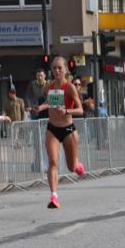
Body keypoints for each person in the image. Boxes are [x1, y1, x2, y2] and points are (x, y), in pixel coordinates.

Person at [36, 55, 85, 209]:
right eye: (54, 68)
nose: (57, 70)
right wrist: (40, 108)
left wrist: (66, 110)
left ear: (65, 70)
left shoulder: (69, 87)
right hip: (52, 128)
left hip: (68, 129)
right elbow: (49, 102)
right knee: (53, 162)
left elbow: (80, 110)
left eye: (59, 68)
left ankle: (76, 163)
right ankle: (54, 196)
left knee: (70, 167)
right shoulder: (49, 87)